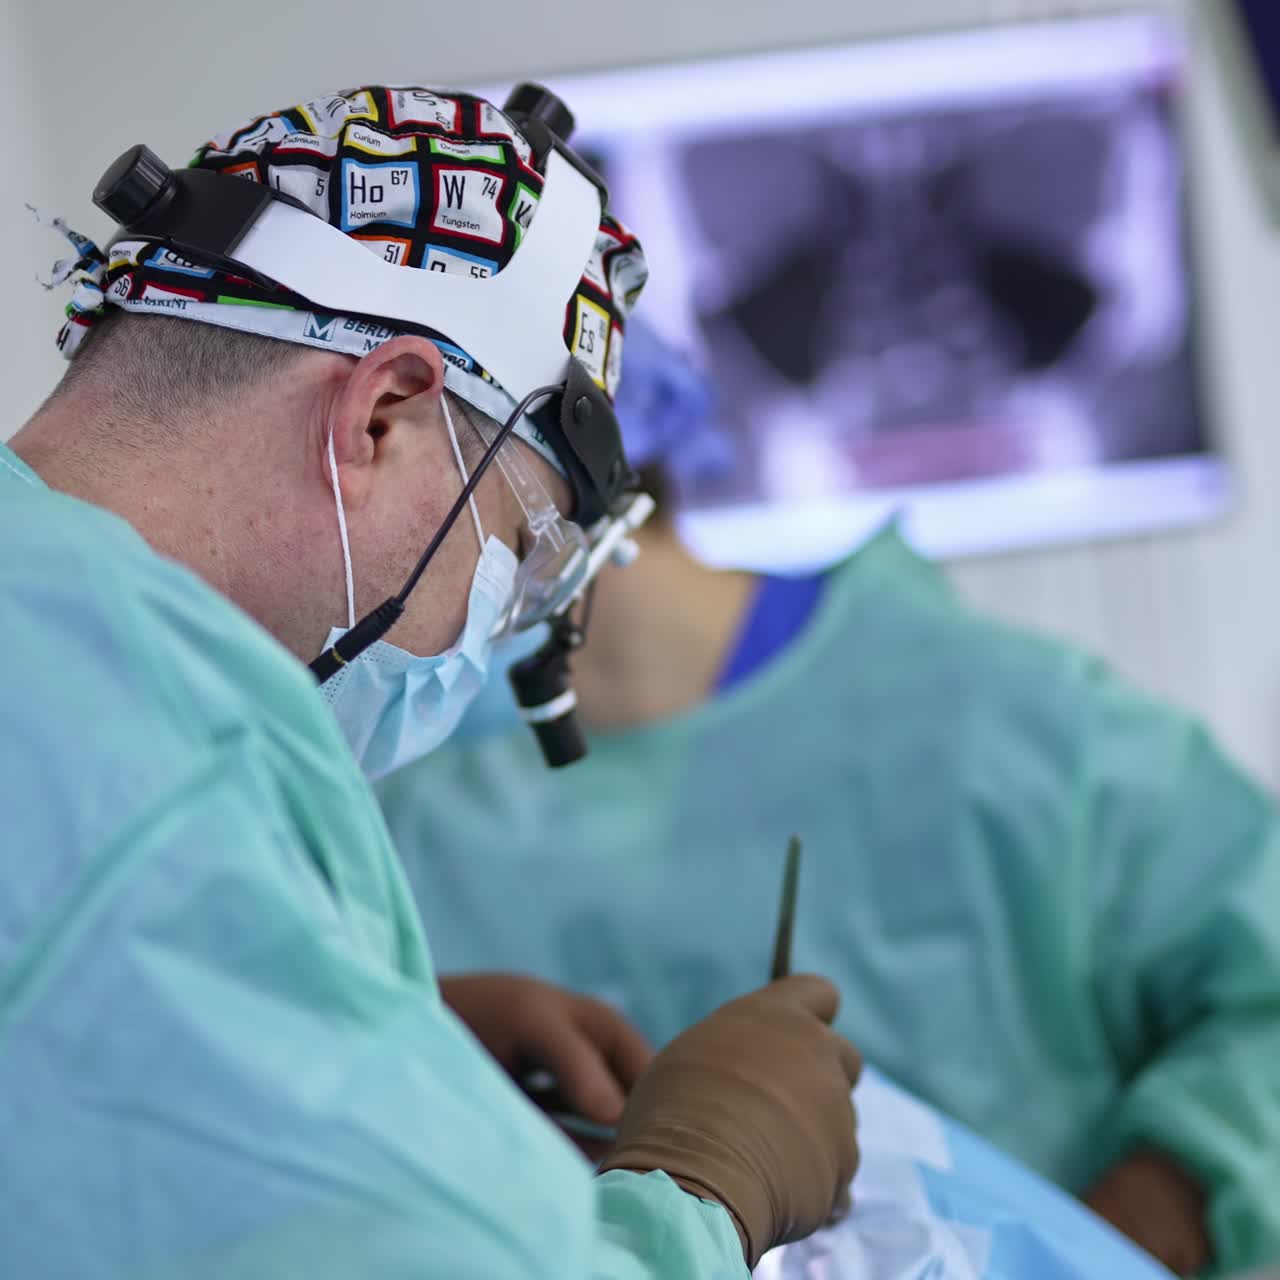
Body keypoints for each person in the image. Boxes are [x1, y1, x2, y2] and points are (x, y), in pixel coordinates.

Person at [0, 86, 866, 1278]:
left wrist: (319, 1024)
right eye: (522, 556)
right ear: (383, 416)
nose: (495, 630)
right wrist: (704, 1187)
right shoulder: (160, 766)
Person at [378, 319, 1280, 1278]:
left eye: (384, 444)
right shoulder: (390, 793)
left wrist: (1117, 1238)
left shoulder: (1008, 724)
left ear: (577, 475)